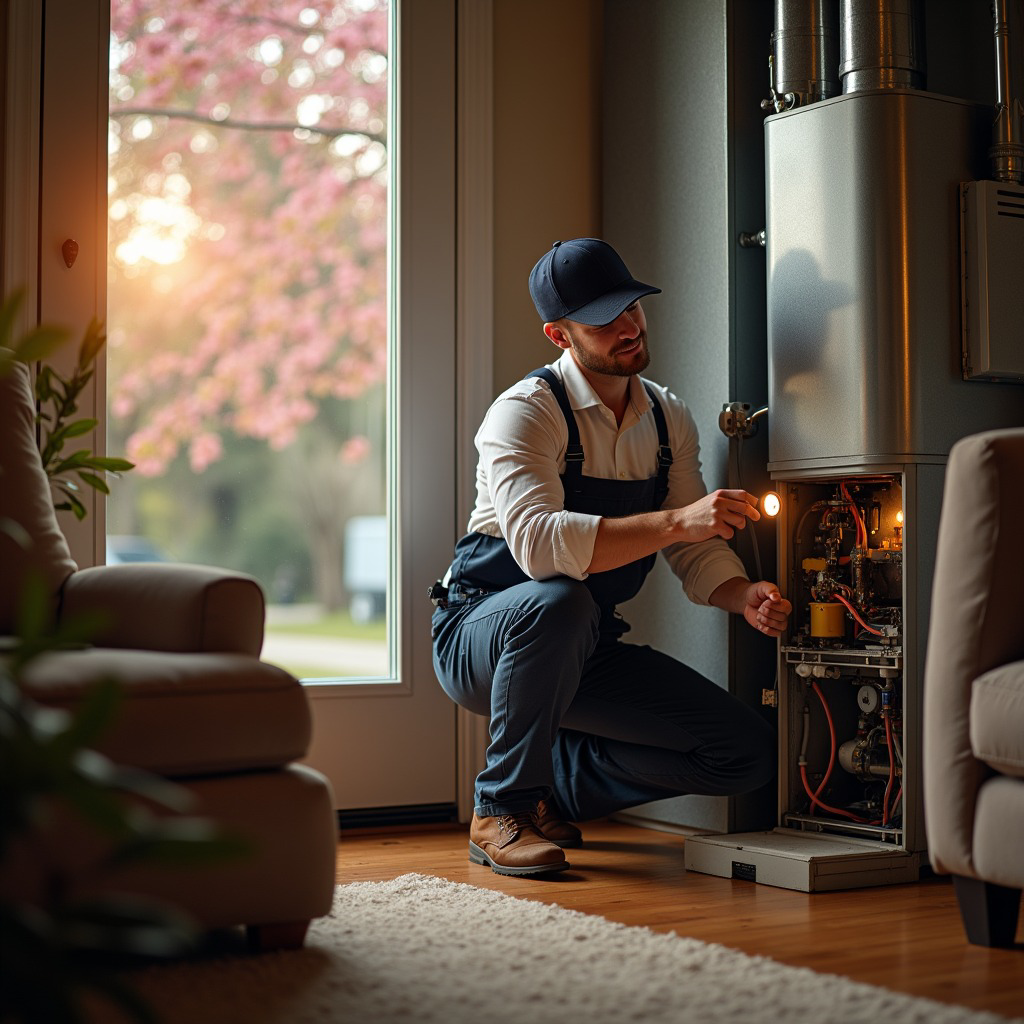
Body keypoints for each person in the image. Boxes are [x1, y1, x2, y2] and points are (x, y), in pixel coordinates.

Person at [430, 238, 792, 877]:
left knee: (746, 753)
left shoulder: (665, 416)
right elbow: (543, 550)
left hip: (584, 643)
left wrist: (742, 595)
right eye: (603, 319)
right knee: (558, 600)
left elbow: (694, 547)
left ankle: (554, 783)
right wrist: (680, 519)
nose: (628, 327)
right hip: (480, 634)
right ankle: (500, 807)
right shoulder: (525, 413)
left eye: (633, 308)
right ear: (559, 335)